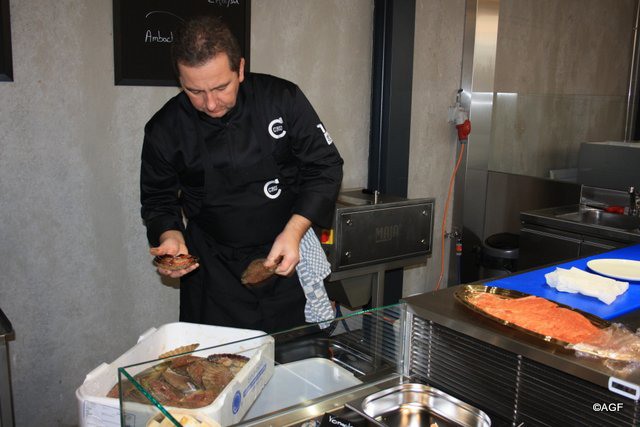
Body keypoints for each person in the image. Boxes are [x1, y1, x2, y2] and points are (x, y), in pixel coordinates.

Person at [140, 16, 344, 333]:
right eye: (194, 91)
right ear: (180, 80)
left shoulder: (282, 99)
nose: (210, 103)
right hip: (213, 271)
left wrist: (294, 231)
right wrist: (170, 237)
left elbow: (325, 166)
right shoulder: (165, 129)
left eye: (221, 87)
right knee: (217, 361)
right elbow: (158, 200)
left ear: (240, 69)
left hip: (285, 253)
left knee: (295, 354)